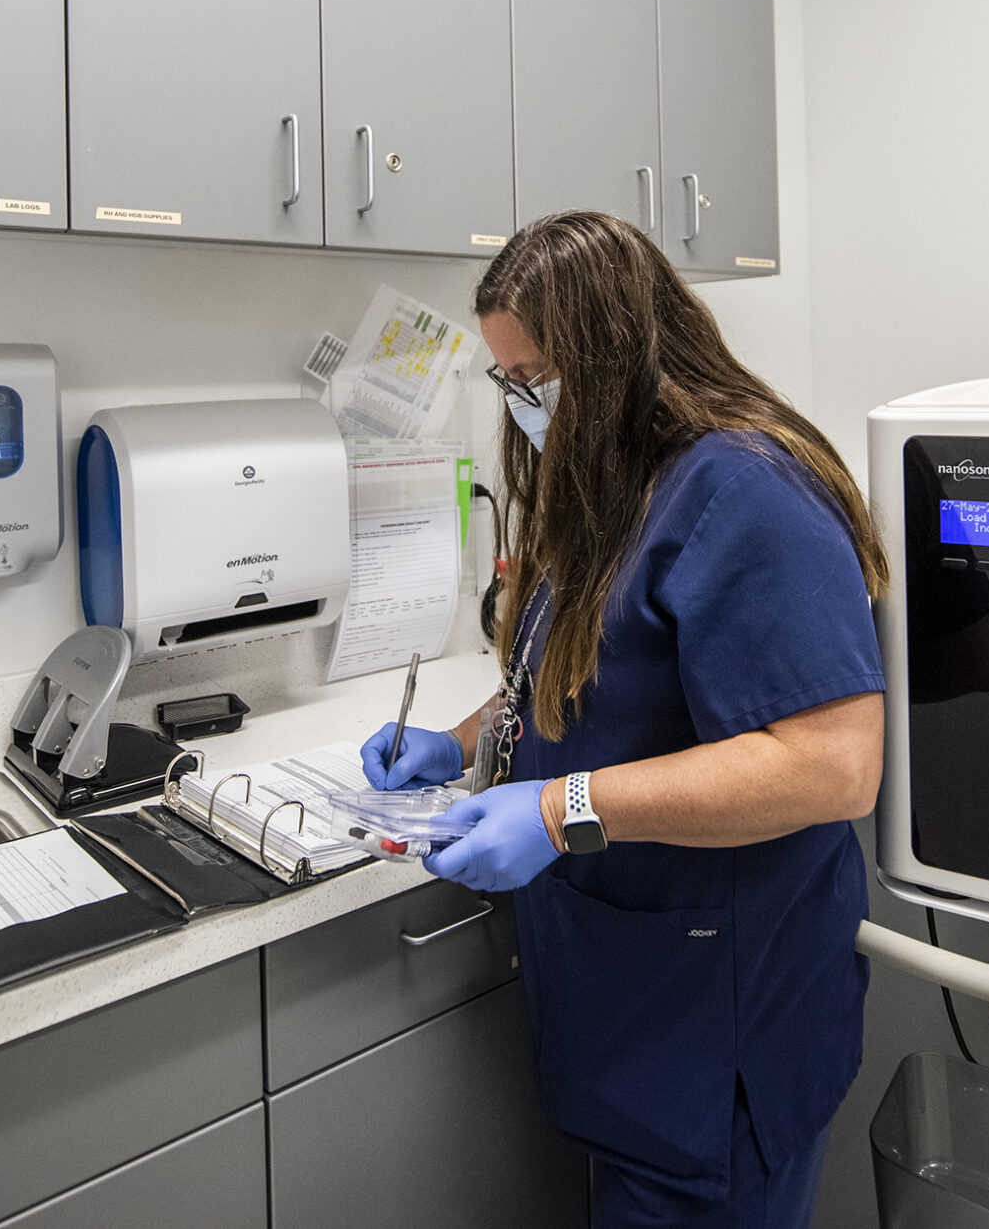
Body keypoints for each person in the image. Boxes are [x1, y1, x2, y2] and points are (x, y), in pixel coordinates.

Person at [359, 209, 889, 1229]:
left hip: (718, 1026)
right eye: (504, 378)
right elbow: (582, 673)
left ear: (610, 356)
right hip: (638, 1009)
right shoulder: (617, 479)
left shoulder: (744, 491)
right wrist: (461, 743)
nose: (518, 401)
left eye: (533, 377)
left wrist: (560, 812)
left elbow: (829, 766)